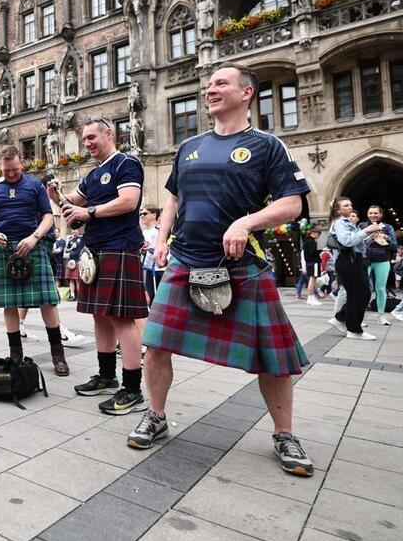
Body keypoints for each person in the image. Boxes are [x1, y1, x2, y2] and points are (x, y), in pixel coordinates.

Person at [127, 63, 316, 478]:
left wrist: (246, 222)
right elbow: (173, 197)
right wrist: (161, 240)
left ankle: (284, 434)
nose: (210, 89)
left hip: (242, 265)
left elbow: (294, 204)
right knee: (156, 344)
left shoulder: (267, 145)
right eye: (209, 84)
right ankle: (155, 415)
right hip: (185, 260)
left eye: (220, 83)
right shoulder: (190, 146)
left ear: (246, 93)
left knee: (273, 358)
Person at [48, 118, 148, 415]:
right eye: (85, 139)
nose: (88, 143)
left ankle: (132, 389)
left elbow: (129, 201)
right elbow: (73, 204)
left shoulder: (126, 163)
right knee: (100, 316)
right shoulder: (93, 174)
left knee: (123, 319)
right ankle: (107, 376)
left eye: (93, 137)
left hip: (120, 247)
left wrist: (88, 211)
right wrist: (57, 196)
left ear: (109, 133)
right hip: (95, 249)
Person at [0, 145, 68, 375]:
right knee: (9, 303)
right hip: (4, 249)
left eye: (15, 170)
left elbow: (49, 217)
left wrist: (34, 237)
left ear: (22, 164)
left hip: (33, 246)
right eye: (6, 170)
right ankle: (15, 354)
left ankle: (58, 355)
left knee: (47, 301)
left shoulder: (34, 185)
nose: (11, 174)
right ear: (0, 166)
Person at [328, 198, 381, 340]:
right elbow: (347, 241)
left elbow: (357, 243)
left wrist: (371, 236)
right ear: (338, 210)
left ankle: (341, 318)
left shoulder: (346, 222)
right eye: (346, 205)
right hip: (348, 261)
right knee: (360, 294)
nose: (350, 207)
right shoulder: (340, 222)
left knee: (360, 294)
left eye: (351, 204)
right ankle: (353, 330)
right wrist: (366, 230)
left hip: (352, 260)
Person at [360, 205, 397, 326]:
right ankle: (360, 317)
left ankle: (381, 316)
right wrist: (370, 236)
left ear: (381, 214)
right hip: (365, 260)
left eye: (376, 213)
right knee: (364, 289)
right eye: (370, 213)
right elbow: (356, 243)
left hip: (382, 260)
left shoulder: (387, 227)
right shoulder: (362, 226)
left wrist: (385, 237)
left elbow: (394, 246)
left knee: (380, 289)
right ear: (367, 214)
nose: (373, 215)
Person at [139, 206, 164, 304]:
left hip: (160, 269)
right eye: (140, 214)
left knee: (160, 299)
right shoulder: (143, 233)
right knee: (150, 296)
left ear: (154, 214)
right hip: (148, 269)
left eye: (145, 213)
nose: (141, 216)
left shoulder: (159, 230)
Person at [295, 229, 322, 306]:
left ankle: (311, 297)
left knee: (311, 280)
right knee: (312, 280)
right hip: (314, 262)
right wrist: (320, 251)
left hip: (309, 263)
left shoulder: (306, 242)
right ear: (313, 233)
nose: (318, 236)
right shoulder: (312, 242)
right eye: (318, 234)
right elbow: (312, 252)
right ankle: (311, 297)